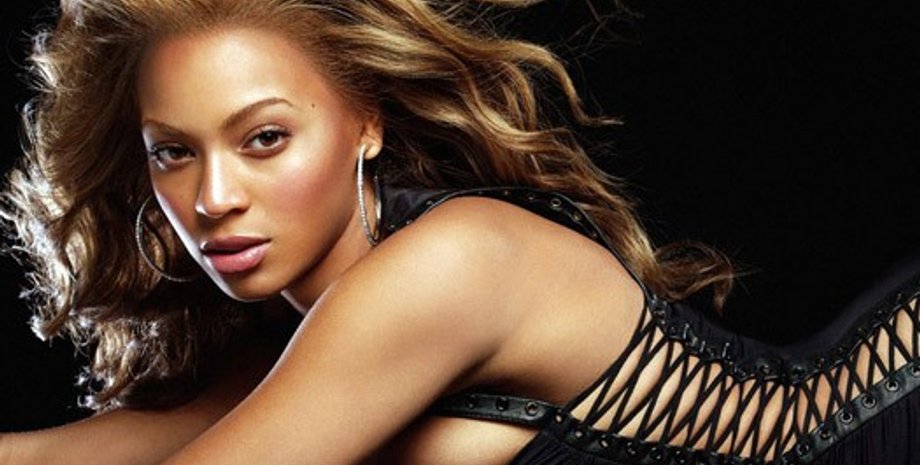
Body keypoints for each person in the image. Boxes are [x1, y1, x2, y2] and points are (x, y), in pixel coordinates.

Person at [0, 1, 917, 464]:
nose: (213, 197)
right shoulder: (318, 337)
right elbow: (90, 450)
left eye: (265, 138)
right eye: (173, 152)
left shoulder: (448, 265)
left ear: (365, 124)